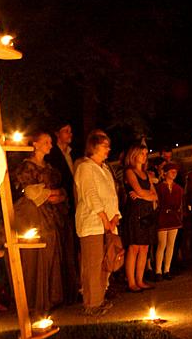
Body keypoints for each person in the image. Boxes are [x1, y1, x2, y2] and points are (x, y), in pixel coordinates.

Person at [11, 131, 68, 314]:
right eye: (46, 142)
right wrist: (51, 194)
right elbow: (30, 192)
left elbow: (59, 190)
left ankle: (52, 296)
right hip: (33, 213)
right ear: (35, 144)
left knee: (52, 249)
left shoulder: (49, 167)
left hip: (51, 212)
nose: (50, 145)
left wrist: (59, 195)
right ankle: (35, 299)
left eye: (51, 142)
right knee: (39, 252)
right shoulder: (27, 168)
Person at [74, 129, 120, 316]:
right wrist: (103, 218)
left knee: (105, 263)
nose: (108, 149)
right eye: (104, 145)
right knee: (92, 264)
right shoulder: (85, 168)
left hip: (108, 223)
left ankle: (100, 298)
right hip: (92, 223)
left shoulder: (105, 169)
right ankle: (91, 302)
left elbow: (111, 194)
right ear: (94, 147)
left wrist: (115, 216)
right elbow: (90, 194)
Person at [44, 121, 79, 304]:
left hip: (72, 204)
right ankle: (64, 291)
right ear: (58, 133)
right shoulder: (53, 155)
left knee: (72, 247)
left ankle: (73, 288)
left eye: (70, 130)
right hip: (59, 206)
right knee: (63, 248)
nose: (69, 134)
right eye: (66, 131)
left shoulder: (72, 154)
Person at [122, 144, 158, 293]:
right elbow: (138, 190)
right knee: (134, 246)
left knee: (144, 247)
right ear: (134, 155)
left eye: (145, 154)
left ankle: (140, 279)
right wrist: (145, 194)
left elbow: (155, 195)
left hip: (147, 211)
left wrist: (145, 195)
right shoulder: (130, 172)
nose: (144, 156)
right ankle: (131, 281)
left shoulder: (146, 174)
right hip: (135, 212)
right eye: (141, 153)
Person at [155, 162, 183, 281]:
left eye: (175, 172)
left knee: (171, 244)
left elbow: (179, 203)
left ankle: (167, 269)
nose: (174, 174)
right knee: (162, 244)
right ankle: (158, 270)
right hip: (162, 216)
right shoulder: (160, 187)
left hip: (174, 217)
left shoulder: (178, 188)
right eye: (172, 171)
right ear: (165, 173)